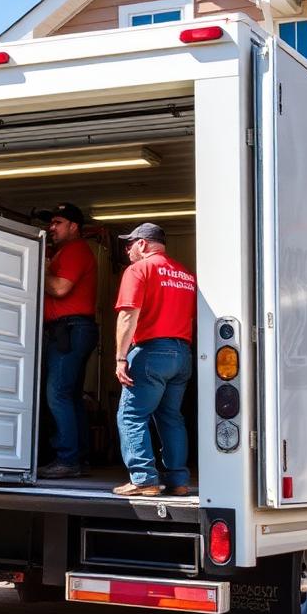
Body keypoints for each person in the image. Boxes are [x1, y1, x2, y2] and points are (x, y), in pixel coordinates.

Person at [111, 222, 196, 497]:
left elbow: (128, 314)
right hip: (182, 354)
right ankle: (178, 480)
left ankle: (143, 479)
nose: (127, 250)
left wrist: (121, 358)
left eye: (130, 244)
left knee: (132, 415)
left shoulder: (138, 269)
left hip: (151, 353)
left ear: (143, 244)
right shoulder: (185, 274)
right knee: (171, 417)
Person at [38, 202, 99, 479]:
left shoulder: (75, 250)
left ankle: (67, 459)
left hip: (70, 329)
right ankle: (79, 457)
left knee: (58, 393)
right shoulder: (67, 251)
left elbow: (60, 288)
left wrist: (40, 267)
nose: (52, 228)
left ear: (74, 226)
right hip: (73, 329)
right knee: (71, 395)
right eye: (51, 223)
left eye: (58, 222)